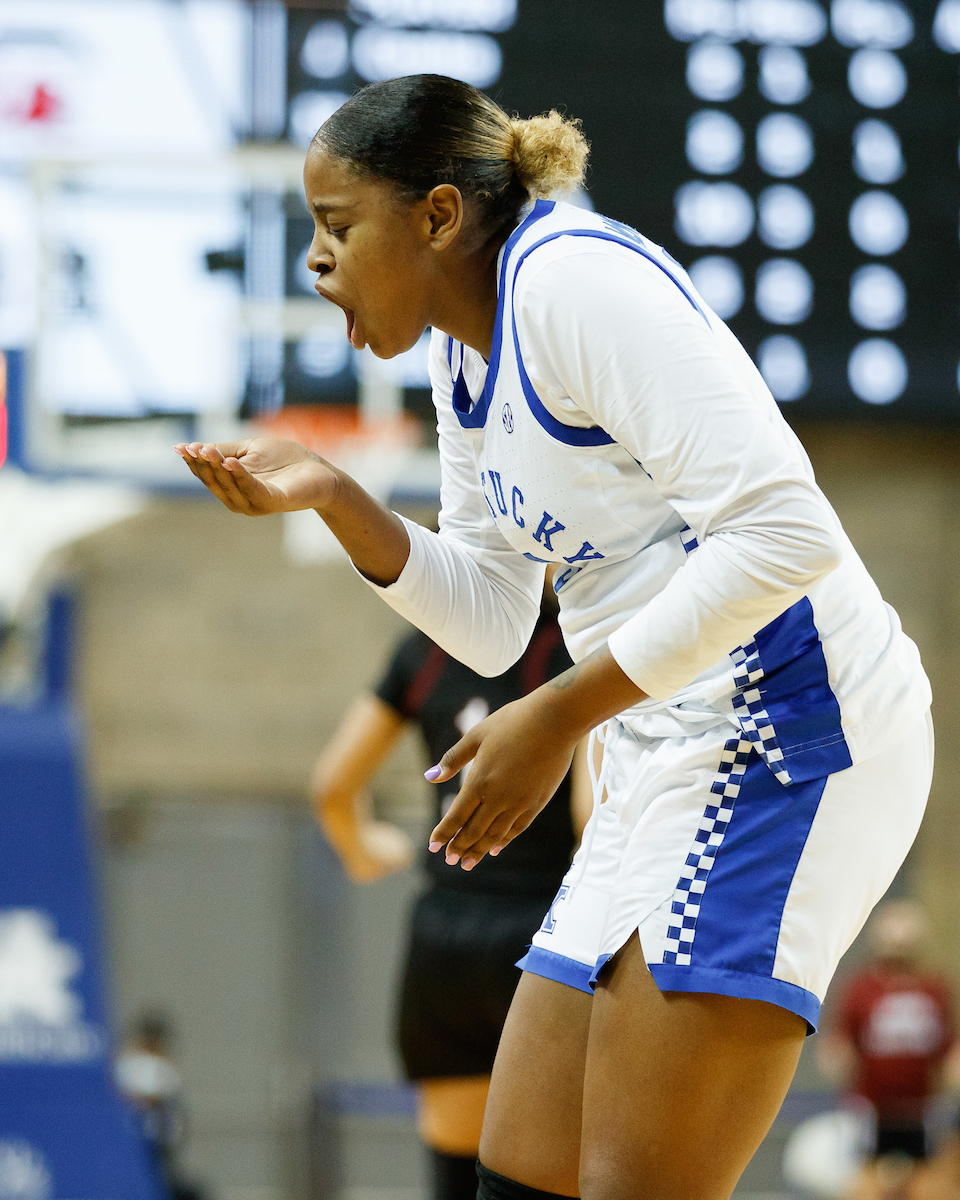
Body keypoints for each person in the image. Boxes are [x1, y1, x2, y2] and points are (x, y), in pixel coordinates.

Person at [174, 74, 933, 1200]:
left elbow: (785, 531)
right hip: (659, 749)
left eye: (338, 226)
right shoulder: (460, 348)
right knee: (521, 1178)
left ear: (439, 215)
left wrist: (557, 715)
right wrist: (338, 497)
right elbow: (490, 617)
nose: (316, 261)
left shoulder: (571, 284)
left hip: (788, 741)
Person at [312, 595, 591, 1200]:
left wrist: (367, 850)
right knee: (547, 1184)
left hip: (442, 941)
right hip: (541, 937)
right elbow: (589, 815)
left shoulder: (424, 650)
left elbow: (333, 787)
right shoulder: (575, 646)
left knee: (455, 1181)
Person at [818, 902, 957, 1172]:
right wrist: (839, 1061)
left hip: (923, 1106)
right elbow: (841, 1039)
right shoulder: (861, 988)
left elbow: (948, 1042)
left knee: (930, 1174)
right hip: (871, 1106)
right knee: (867, 1172)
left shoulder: (935, 988)